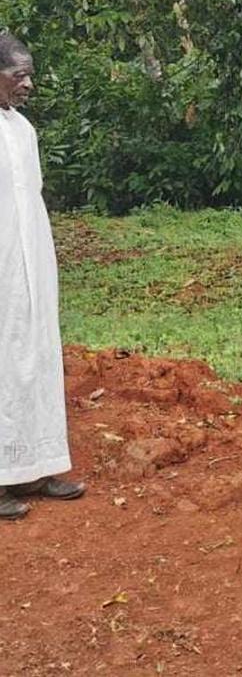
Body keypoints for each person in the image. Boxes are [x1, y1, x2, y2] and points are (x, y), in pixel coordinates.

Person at [0, 34, 86, 520]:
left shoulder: (24, 129)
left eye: (30, 75)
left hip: (30, 261)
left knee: (35, 355)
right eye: (19, 75)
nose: (29, 84)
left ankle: (37, 466)